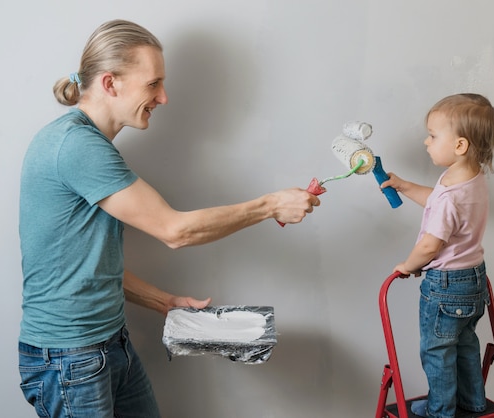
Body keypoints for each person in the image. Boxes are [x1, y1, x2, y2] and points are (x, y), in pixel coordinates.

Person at [18, 19, 320, 418]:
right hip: (72, 358)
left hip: (107, 345)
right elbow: (175, 230)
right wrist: (270, 206)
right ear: (111, 84)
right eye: (152, 84)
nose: (163, 97)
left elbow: (84, 267)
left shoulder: (83, 143)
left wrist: (165, 302)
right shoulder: (77, 146)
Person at [381, 93, 494, 418]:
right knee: (464, 345)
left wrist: (408, 265)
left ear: (460, 145)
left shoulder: (449, 195)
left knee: (437, 351)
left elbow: (431, 245)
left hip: (445, 285)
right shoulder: (471, 180)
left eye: (433, 136)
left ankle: (441, 411)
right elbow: (438, 202)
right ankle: (472, 401)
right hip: (473, 279)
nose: (426, 141)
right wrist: (405, 186)